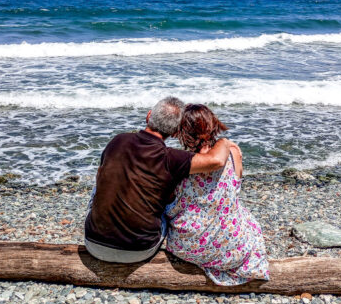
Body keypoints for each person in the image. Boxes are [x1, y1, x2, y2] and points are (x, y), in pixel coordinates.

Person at [84, 97, 234, 263]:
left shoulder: (117, 141)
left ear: (149, 116)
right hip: (138, 250)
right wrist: (224, 141)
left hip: (93, 243)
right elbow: (216, 161)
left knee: (105, 178)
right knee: (166, 207)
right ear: (177, 132)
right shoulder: (172, 158)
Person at [165, 104, 269, 286]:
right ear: (213, 125)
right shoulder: (233, 153)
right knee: (248, 219)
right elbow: (235, 188)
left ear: (182, 131)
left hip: (186, 247)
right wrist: (226, 143)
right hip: (231, 248)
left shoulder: (180, 162)